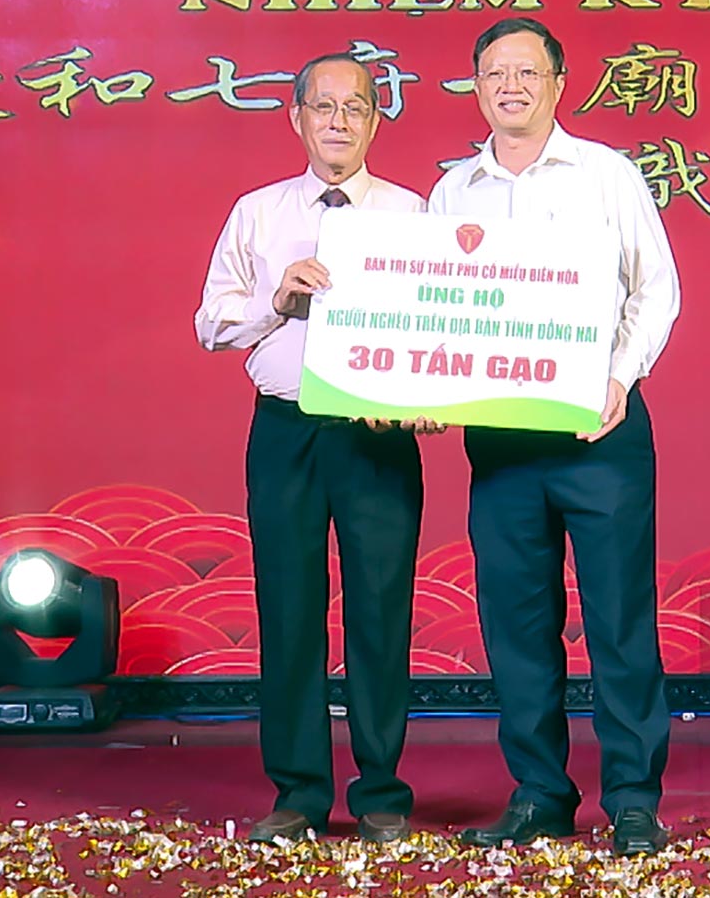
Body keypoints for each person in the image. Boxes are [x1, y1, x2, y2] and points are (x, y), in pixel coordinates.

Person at [427, 17, 680, 857]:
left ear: (559, 83)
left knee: (618, 619)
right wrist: (424, 385)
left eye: (527, 73)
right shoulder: (452, 192)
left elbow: (656, 289)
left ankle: (634, 798)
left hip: (597, 430)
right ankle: (540, 791)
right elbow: (437, 308)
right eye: (494, 73)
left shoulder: (607, 174)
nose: (510, 86)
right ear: (475, 85)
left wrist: (618, 377)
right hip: (500, 439)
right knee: (516, 621)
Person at [193, 53, 426, 844]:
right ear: (295, 118)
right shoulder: (257, 213)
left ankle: (383, 792)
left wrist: (425, 402)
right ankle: (297, 793)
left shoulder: (411, 213)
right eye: (322, 107)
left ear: (374, 121)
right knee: (288, 609)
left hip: (377, 438)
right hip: (286, 429)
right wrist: (276, 300)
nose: (337, 122)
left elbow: (439, 331)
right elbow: (210, 324)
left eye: (354, 108)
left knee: (380, 614)